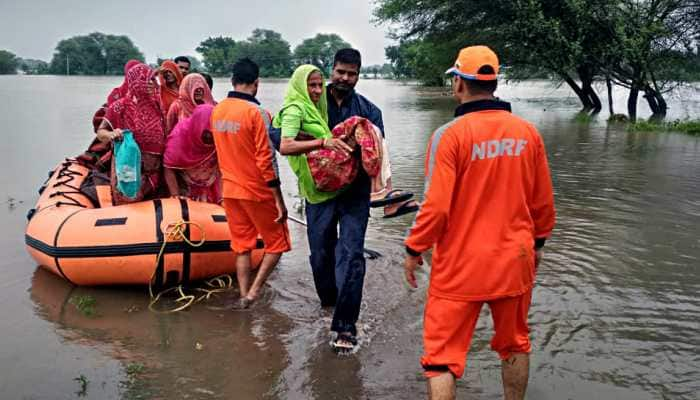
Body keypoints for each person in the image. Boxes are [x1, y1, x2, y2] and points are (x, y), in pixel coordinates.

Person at [402, 46, 556, 400]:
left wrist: (414, 247)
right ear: (494, 82)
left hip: (459, 266)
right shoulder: (527, 133)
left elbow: (436, 208)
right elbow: (543, 202)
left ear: (459, 83)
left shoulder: (449, 136)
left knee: (440, 359)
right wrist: (538, 244)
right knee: (515, 343)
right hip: (513, 261)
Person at [278, 50, 392, 352]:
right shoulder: (311, 99)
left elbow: (378, 152)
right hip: (319, 192)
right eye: (340, 72)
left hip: (355, 193)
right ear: (332, 70)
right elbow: (279, 134)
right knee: (320, 255)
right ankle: (328, 305)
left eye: (351, 74)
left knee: (352, 255)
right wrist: (314, 141)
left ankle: (345, 326)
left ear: (358, 75)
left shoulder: (369, 111)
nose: (344, 78)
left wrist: (384, 191)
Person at [211, 58, 291, 308]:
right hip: (257, 191)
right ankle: (254, 293)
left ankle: (243, 294)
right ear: (257, 84)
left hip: (230, 191)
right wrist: (279, 199)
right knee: (277, 244)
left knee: (242, 247)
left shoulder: (218, 111)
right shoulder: (257, 114)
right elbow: (267, 159)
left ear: (232, 80)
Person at [95, 63, 166, 204]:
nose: (154, 83)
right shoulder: (120, 106)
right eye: (149, 80)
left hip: (155, 170)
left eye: (154, 80)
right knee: (129, 203)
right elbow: (101, 132)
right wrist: (112, 134)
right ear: (138, 82)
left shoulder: (158, 105)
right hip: (129, 165)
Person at [163, 104, 221, 204]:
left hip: (211, 187)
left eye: (212, 133)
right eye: (206, 133)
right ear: (198, 126)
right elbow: (168, 166)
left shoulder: (220, 135)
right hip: (185, 187)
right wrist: (175, 196)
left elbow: (221, 169)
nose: (210, 137)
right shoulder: (180, 136)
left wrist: (221, 197)